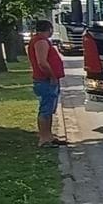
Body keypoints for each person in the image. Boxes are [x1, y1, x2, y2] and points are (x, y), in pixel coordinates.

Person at [27, 19, 67, 147]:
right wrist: (52, 76)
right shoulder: (41, 41)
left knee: (49, 109)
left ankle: (49, 136)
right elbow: (42, 62)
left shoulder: (39, 40)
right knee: (45, 109)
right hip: (45, 80)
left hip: (46, 80)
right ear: (49, 29)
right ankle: (44, 138)